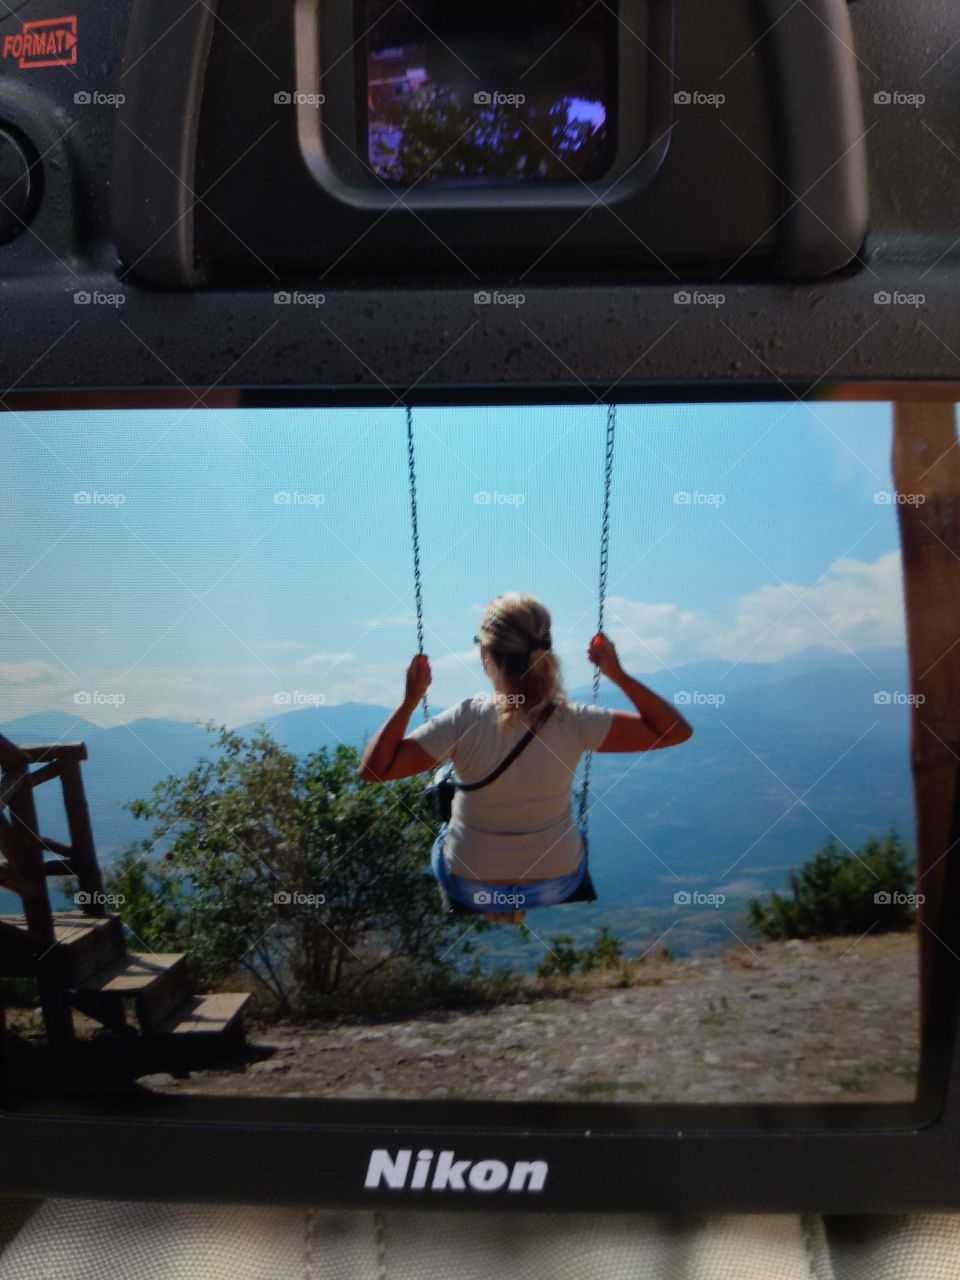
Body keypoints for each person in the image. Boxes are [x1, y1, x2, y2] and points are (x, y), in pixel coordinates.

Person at [358, 592, 692, 923]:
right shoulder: (573, 721)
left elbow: (374, 770)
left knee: (443, 827)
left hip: (472, 885)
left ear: (486, 651)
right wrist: (617, 673)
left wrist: (409, 701)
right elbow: (675, 731)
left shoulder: (462, 719)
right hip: (554, 882)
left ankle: (497, 900)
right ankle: (513, 900)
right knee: (569, 837)